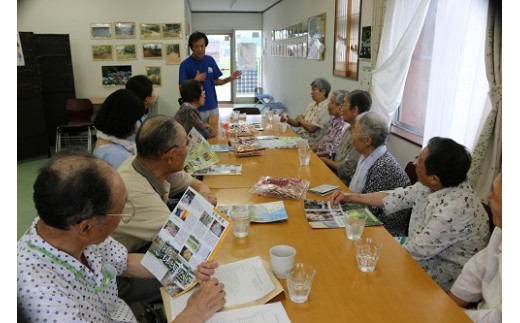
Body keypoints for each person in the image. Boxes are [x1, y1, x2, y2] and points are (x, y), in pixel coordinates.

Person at [17, 150, 226, 322]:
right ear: (86, 227)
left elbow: (124, 262)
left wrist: (183, 267)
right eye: (122, 210)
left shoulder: (67, 226)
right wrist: (195, 312)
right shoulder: (46, 298)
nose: (126, 213)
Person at [330, 137, 490, 291]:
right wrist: (350, 197)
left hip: (439, 275)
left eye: (419, 161)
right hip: (418, 253)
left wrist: (365, 253)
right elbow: (395, 197)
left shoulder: (455, 209)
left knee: (358, 266)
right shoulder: (436, 184)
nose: (415, 163)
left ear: (434, 179)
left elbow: (414, 251)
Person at [113, 115, 218, 253]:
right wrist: (203, 206)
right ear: (171, 155)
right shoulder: (138, 193)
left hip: (147, 240)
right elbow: (183, 240)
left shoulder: (156, 164)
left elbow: (199, 185)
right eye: (186, 144)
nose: (189, 149)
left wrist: (205, 196)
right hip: (122, 261)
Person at [448, 172, 502, 322]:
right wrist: (447, 306)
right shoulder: (501, 229)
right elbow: (477, 269)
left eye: (495, 197)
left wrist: (453, 314)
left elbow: (499, 317)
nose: (489, 198)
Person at [347, 111, 410, 236]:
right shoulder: (368, 157)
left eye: (354, 131)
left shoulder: (384, 167)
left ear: (368, 140)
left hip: (384, 230)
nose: (352, 135)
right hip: (367, 219)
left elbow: (371, 211)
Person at [179, 31, 242, 123]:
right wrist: (195, 80)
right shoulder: (185, 65)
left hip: (213, 105)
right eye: (197, 46)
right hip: (196, 108)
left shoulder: (210, 60)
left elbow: (215, 81)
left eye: (202, 46)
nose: (200, 49)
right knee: (199, 135)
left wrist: (229, 78)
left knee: (214, 133)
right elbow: (181, 88)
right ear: (191, 48)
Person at [320, 90, 372, 185]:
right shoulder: (349, 128)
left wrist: (326, 161)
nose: (341, 109)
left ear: (355, 110)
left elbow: (347, 171)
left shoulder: (361, 136)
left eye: (344, 104)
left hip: (345, 184)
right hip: (333, 175)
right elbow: (339, 155)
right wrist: (328, 156)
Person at [93, 89, 145, 169]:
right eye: (135, 121)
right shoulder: (115, 156)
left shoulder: (107, 143)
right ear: (124, 121)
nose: (137, 126)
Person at [280, 77, 331, 146]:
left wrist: (300, 119)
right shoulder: (312, 105)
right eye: (311, 90)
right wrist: (287, 119)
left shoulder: (326, 108)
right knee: (278, 140)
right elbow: (297, 123)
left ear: (323, 92)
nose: (311, 92)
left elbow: (311, 128)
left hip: (309, 142)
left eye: (314, 90)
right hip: (298, 137)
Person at [310, 89, 348, 159]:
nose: (328, 104)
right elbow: (323, 141)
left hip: (325, 162)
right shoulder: (334, 120)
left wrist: (313, 155)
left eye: (331, 102)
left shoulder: (342, 126)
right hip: (318, 156)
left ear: (340, 107)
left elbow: (331, 153)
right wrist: (309, 151)